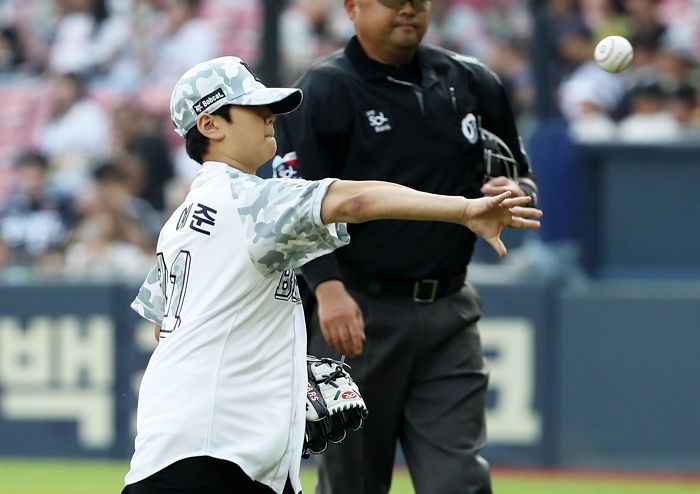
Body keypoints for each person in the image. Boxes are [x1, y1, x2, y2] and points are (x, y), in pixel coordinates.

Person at [123, 56, 541, 494]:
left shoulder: (180, 221)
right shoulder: (247, 200)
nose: (271, 116)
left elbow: (167, 330)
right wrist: (465, 209)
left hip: (183, 448)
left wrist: (275, 372)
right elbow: (354, 202)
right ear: (210, 125)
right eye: (253, 108)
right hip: (216, 457)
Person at [273, 1, 540, 493]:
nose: (408, 9)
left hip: (450, 310)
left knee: (457, 482)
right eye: (392, 0)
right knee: (354, 483)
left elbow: (517, 172)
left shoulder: (473, 81)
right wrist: (328, 287)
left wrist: (513, 192)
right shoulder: (323, 88)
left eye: (417, 0)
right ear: (352, 7)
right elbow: (294, 201)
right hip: (358, 310)